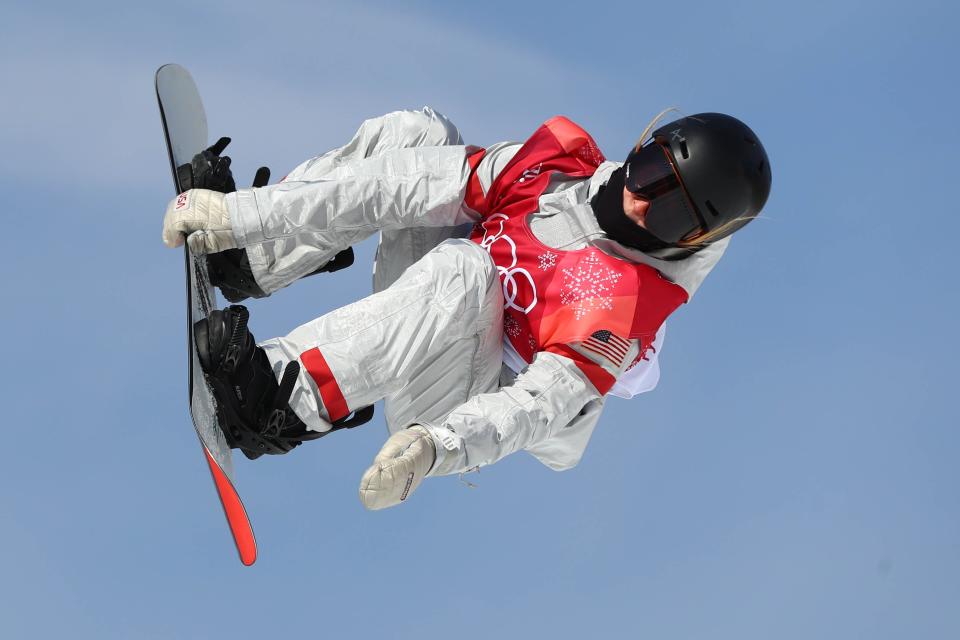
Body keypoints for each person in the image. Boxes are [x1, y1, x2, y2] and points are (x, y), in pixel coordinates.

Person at [161, 107, 771, 510]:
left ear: (693, 238)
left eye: (672, 212)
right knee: (416, 136)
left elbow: (533, 410)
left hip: (457, 400)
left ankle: (277, 401)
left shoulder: (621, 307)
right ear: (644, 145)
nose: (643, 203)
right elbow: (398, 184)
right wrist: (243, 216)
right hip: (419, 316)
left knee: (468, 273)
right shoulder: (553, 169)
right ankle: (250, 254)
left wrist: (435, 447)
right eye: (651, 172)